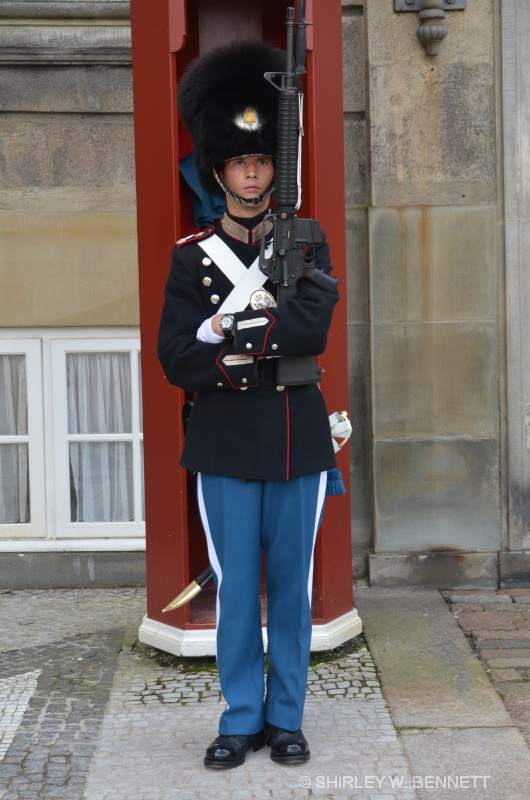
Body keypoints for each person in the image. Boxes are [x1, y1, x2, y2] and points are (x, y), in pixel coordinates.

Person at [157, 40, 340, 769]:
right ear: (220, 171)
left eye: (262, 160)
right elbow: (176, 357)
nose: (253, 171)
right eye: (240, 162)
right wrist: (255, 346)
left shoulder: (307, 241)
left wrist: (229, 341)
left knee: (290, 590)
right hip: (228, 441)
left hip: (296, 436)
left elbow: (310, 326)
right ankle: (240, 717)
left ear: (274, 168)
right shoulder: (188, 258)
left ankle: (286, 718)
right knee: (237, 593)